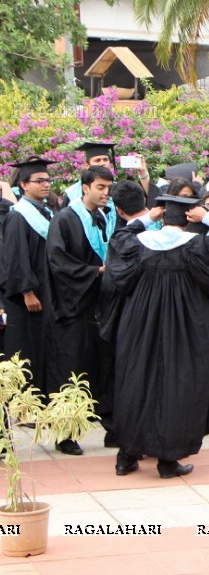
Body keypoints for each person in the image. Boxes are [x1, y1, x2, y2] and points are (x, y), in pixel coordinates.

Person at [106, 193, 209, 477]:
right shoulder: (197, 246)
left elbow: (119, 240)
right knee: (177, 384)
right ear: (188, 217)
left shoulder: (138, 245)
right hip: (185, 327)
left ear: (162, 215)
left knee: (137, 381)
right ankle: (168, 460)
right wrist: (207, 217)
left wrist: (147, 217)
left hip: (140, 326)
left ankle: (126, 456)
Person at [44, 165, 117, 454]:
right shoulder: (65, 219)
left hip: (100, 304)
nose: (105, 193)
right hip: (72, 306)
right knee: (70, 369)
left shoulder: (103, 217)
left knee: (105, 365)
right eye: (100, 187)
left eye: (108, 188)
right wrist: (94, 271)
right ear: (85, 187)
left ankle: (113, 428)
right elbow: (57, 261)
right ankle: (66, 435)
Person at [2, 158, 58, 402]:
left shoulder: (46, 212)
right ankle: (28, 403)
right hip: (31, 295)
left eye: (47, 180)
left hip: (49, 290)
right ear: (24, 185)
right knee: (29, 348)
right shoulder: (18, 216)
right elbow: (16, 257)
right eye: (39, 181)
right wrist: (27, 291)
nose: (46, 185)